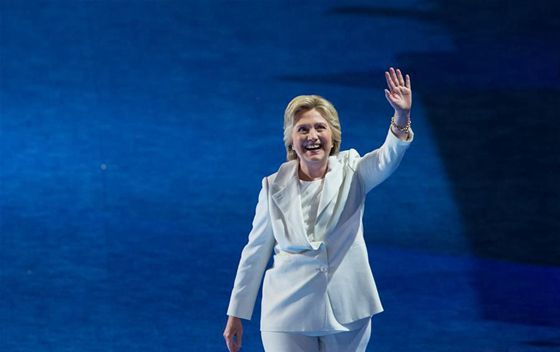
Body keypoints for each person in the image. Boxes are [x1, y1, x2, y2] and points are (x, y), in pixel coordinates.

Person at [223, 68, 414, 352]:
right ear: (291, 140)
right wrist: (236, 314)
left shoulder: (354, 170)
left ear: (332, 135)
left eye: (319, 127)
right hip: (286, 312)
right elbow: (255, 251)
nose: (312, 136)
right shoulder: (272, 187)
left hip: (348, 310)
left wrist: (401, 117)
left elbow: (388, 157)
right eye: (303, 129)